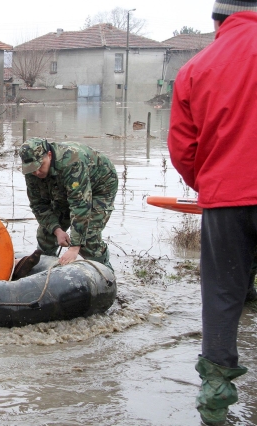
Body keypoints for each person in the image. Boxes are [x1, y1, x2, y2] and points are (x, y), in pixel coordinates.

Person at [167, 1, 257, 423]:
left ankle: (216, 399)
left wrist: (211, 183)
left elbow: (183, 149)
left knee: (222, 297)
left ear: (217, 19)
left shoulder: (196, 68)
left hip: (226, 200)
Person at [18, 137, 118, 272]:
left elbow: (80, 205)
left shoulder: (72, 162)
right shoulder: (32, 172)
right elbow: (38, 205)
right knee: (46, 234)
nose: (36, 172)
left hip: (100, 187)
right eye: (31, 169)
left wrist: (75, 247)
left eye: (40, 166)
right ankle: (45, 273)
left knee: (88, 238)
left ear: (49, 155)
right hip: (65, 186)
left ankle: (106, 274)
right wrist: (57, 230)